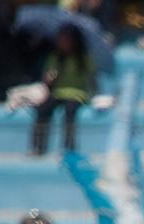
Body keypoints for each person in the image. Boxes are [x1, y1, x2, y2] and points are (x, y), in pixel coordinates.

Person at [31, 28, 94, 158]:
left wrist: (92, 95)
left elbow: (91, 79)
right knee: (43, 110)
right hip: (57, 93)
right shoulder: (55, 58)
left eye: (66, 40)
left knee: (69, 112)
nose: (62, 43)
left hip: (77, 94)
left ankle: (68, 148)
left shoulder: (83, 58)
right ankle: (38, 146)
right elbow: (45, 78)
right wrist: (48, 79)